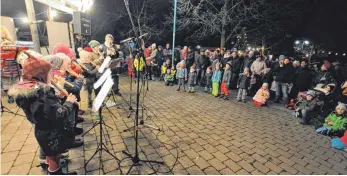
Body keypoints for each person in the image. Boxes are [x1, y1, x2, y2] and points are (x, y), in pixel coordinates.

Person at [8, 51, 77, 175]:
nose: (51, 74)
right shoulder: (44, 93)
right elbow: (58, 114)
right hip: (52, 133)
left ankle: (54, 170)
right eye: (49, 72)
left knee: (52, 155)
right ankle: (56, 172)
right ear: (41, 74)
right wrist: (69, 102)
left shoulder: (30, 91)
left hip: (42, 131)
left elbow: (46, 110)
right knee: (54, 156)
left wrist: (58, 98)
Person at [1, 25, 20, 103]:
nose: (2, 34)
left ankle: (17, 96)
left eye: (3, 32)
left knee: (15, 81)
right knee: (6, 82)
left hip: (13, 63)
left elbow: (16, 51)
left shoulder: (11, 41)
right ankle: (10, 96)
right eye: (0, 33)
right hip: (4, 64)